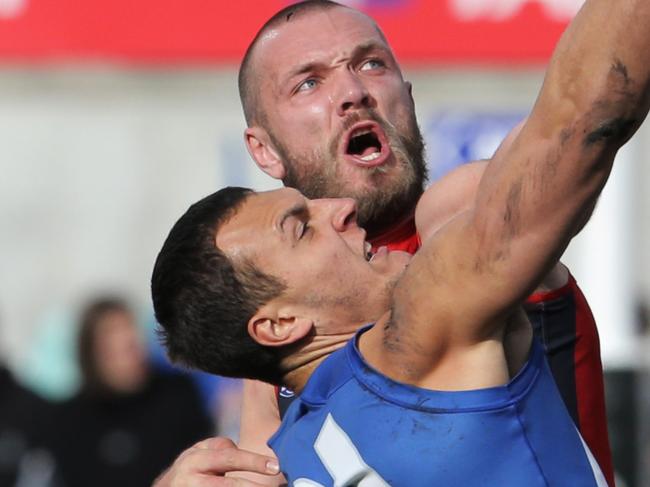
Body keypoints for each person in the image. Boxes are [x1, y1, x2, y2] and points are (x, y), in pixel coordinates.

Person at [152, 0, 650, 481]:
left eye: (371, 63)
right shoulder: (281, 365)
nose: (352, 90)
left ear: (407, 98)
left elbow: (583, 112)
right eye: (309, 83)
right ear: (262, 150)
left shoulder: (455, 222)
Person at [44, 297, 213, 487]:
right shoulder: (69, 419)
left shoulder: (177, 392)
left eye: (130, 332)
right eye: (113, 339)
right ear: (93, 352)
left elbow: (204, 455)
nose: (129, 344)